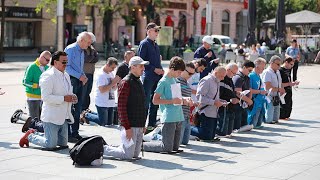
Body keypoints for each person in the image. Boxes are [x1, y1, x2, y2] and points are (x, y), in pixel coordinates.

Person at [19, 51, 76, 150]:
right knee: (51, 144)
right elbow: (45, 97)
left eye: (67, 62)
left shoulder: (66, 75)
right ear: (55, 62)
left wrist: (73, 97)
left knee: (63, 144)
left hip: (63, 116)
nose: (66, 64)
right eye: (63, 62)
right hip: (51, 116)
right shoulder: (48, 76)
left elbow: (67, 92)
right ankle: (30, 136)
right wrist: (64, 98)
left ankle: (44, 135)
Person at [104, 56, 149, 160]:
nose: (143, 68)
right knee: (127, 155)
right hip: (130, 125)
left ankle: (119, 148)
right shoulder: (126, 82)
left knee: (135, 155)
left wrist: (143, 124)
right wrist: (127, 128)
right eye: (141, 66)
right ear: (133, 67)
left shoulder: (138, 81)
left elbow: (142, 105)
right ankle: (101, 149)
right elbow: (121, 107)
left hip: (139, 124)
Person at [143, 57, 189, 153]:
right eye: (179, 72)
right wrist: (172, 101)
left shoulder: (175, 80)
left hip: (178, 116)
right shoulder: (163, 81)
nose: (180, 75)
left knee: (175, 148)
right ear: (172, 69)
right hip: (169, 117)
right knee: (166, 148)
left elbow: (177, 99)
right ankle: (140, 145)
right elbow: (155, 101)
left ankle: (152, 138)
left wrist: (185, 100)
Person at [64, 31, 92, 142]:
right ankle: (69, 133)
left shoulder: (82, 51)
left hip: (79, 80)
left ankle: (75, 132)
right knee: (70, 107)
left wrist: (83, 76)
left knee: (78, 107)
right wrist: (79, 76)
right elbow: (67, 67)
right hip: (72, 81)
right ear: (81, 40)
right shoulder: (70, 49)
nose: (89, 45)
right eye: (88, 42)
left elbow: (79, 68)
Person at [138, 23, 164, 130]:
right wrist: (154, 69)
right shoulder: (144, 44)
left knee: (155, 101)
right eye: (155, 30)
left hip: (156, 77)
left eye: (158, 31)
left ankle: (151, 124)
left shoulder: (155, 44)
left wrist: (161, 69)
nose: (157, 33)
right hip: (148, 77)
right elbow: (141, 61)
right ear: (149, 31)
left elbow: (156, 60)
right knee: (145, 102)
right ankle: (141, 125)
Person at [191, 66, 227, 141]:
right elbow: (199, 97)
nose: (223, 78)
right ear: (216, 73)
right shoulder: (206, 80)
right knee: (206, 136)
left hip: (213, 112)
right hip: (206, 112)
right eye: (221, 76)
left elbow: (213, 97)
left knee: (211, 136)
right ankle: (187, 129)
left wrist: (221, 101)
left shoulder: (216, 81)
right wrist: (214, 102)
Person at [81, 57, 120, 126]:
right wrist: (113, 83)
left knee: (109, 123)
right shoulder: (101, 75)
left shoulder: (110, 73)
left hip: (110, 101)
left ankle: (90, 113)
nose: (113, 70)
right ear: (107, 65)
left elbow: (113, 88)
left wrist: (116, 84)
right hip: (102, 102)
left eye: (114, 68)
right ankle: (86, 115)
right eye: (112, 68)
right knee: (103, 122)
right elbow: (102, 90)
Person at [22, 51, 51, 119]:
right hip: (33, 97)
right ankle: (21, 116)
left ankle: (21, 116)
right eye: (47, 60)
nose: (48, 62)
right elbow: (25, 82)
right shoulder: (32, 67)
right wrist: (36, 85)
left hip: (43, 97)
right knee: (34, 119)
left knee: (42, 119)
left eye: (49, 60)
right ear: (41, 57)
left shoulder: (47, 68)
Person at [216, 63, 239, 137]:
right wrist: (230, 99)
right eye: (233, 73)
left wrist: (236, 95)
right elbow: (219, 95)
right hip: (224, 107)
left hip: (231, 107)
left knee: (228, 132)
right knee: (222, 132)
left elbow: (230, 91)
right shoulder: (222, 79)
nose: (234, 75)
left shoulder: (230, 80)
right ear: (228, 70)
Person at [262, 55, 286, 124]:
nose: (279, 66)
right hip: (269, 96)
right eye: (278, 64)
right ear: (272, 63)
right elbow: (267, 86)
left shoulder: (277, 72)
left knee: (276, 118)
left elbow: (280, 82)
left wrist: (282, 89)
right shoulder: (267, 72)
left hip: (276, 96)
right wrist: (279, 89)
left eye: (280, 64)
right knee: (269, 119)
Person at [177, 62, 195, 145]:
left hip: (187, 114)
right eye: (190, 73)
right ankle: (157, 135)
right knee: (178, 142)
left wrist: (193, 102)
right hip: (180, 114)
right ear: (183, 70)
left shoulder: (186, 82)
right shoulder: (177, 81)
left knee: (185, 141)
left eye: (193, 74)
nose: (191, 76)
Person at [232, 61, 254, 131]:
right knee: (237, 127)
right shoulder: (238, 78)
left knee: (244, 125)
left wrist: (249, 100)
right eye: (249, 70)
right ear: (244, 67)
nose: (250, 72)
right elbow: (238, 93)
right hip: (238, 104)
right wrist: (249, 100)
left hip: (244, 104)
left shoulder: (247, 78)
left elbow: (249, 90)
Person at [247, 58, 267, 129]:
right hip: (254, 101)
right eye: (262, 67)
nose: (263, 69)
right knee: (253, 124)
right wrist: (260, 92)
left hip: (259, 100)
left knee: (258, 123)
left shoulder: (258, 76)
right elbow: (249, 90)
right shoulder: (251, 75)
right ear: (257, 67)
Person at [81, 32, 99, 112]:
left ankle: (86, 109)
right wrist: (92, 58)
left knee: (88, 92)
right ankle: (81, 109)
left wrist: (91, 58)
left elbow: (96, 58)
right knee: (83, 92)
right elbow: (86, 59)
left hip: (91, 73)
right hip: (84, 73)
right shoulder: (82, 48)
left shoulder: (92, 49)